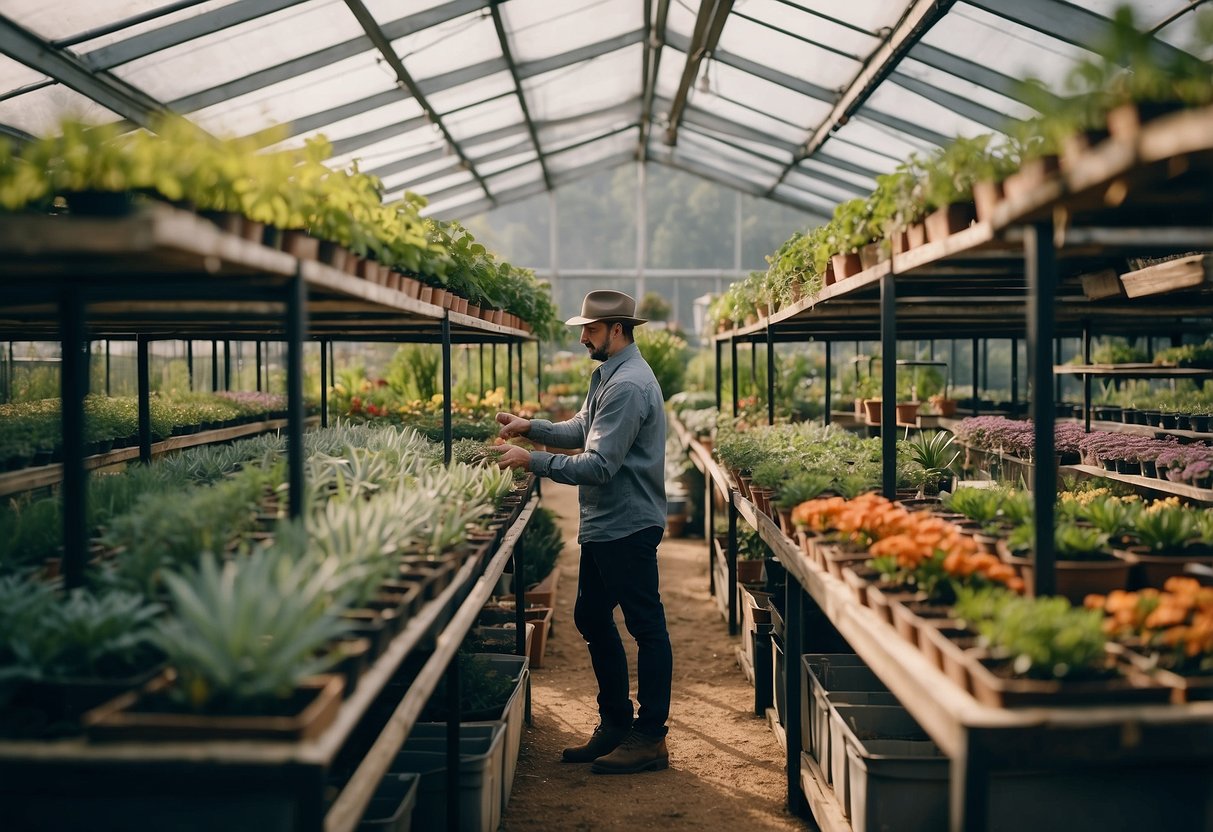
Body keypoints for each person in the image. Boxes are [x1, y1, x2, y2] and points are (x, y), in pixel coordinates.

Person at [496, 289, 672, 775]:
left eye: (590, 329)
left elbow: (597, 465)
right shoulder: (608, 376)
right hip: (607, 522)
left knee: (646, 627)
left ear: (617, 330)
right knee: (592, 617)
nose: (581, 337)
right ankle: (616, 724)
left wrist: (533, 460)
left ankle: (650, 735)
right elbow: (581, 429)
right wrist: (530, 426)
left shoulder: (628, 386)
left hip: (627, 523)